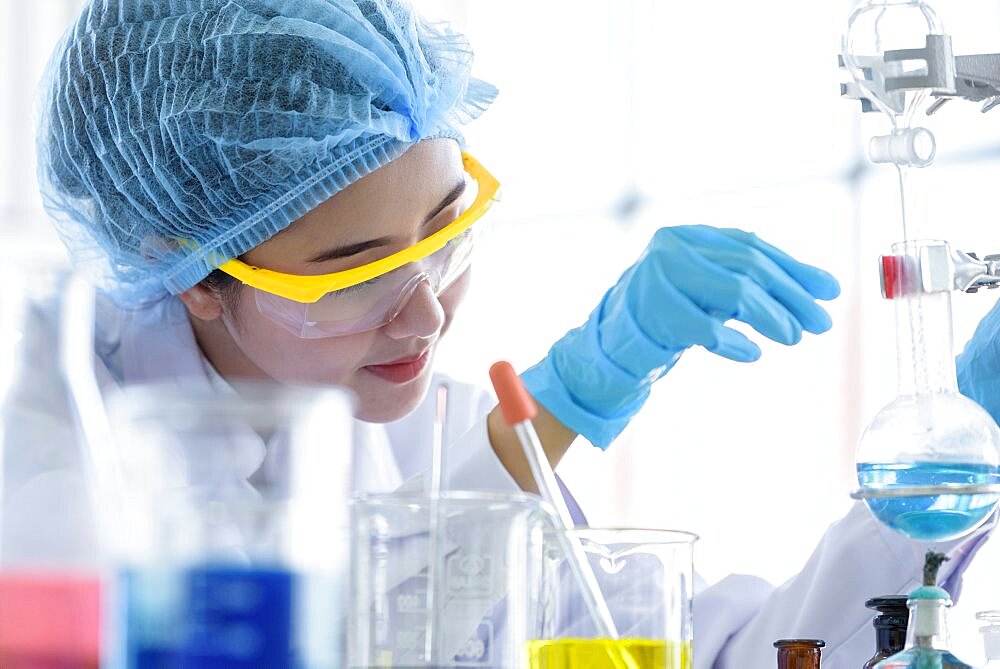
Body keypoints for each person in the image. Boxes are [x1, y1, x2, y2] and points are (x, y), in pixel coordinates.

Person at [31, 1, 995, 667]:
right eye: (352, 272)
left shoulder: (408, 414)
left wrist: (964, 453)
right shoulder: (43, 452)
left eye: (446, 232)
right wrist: (564, 403)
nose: (426, 315)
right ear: (191, 270)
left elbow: (696, 655)